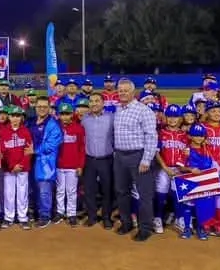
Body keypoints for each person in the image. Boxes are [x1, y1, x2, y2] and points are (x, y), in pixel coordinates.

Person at [112, 77, 158, 242]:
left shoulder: (143, 110)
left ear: (133, 92)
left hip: (138, 156)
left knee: (144, 194)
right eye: (120, 90)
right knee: (121, 191)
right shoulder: (118, 110)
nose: (122, 93)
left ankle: (145, 228)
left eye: (126, 90)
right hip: (120, 156)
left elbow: (151, 137)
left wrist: (146, 160)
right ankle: (126, 223)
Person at [80, 92, 114, 228]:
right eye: (91, 101)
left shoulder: (111, 118)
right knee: (89, 190)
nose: (94, 103)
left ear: (103, 103)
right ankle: (92, 216)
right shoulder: (84, 120)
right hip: (89, 160)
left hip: (106, 159)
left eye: (97, 101)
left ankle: (106, 217)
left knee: (107, 190)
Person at [28, 98, 63, 227]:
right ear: (35, 107)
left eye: (44, 106)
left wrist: (34, 150)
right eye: (39, 106)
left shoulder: (53, 125)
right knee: (32, 189)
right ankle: (35, 212)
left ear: (49, 108)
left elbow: (51, 145)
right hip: (30, 161)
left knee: (44, 190)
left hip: (45, 163)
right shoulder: (31, 122)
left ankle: (45, 215)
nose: (41, 108)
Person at [155, 105, 189, 232]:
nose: (172, 119)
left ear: (180, 118)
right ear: (165, 117)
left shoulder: (185, 135)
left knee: (178, 195)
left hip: (179, 170)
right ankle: (157, 217)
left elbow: (186, 153)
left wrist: (181, 168)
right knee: (161, 194)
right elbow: (156, 152)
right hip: (164, 169)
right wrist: (164, 167)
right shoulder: (160, 133)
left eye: (175, 117)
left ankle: (179, 218)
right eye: (169, 116)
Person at [0, 107, 33, 228]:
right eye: (13, 116)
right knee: (9, 193)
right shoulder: (3, 132)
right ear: (9, 117)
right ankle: (9, 217)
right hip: (9, 168)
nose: (15, 118)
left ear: (21, 118)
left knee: (22, 192)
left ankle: (23, 217)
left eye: (18, 116)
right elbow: (2, 151)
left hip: (23, 168)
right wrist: (12, 166)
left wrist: (21, 165)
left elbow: (28, 151)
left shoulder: (26, 131)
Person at [54, 103, 85, 226]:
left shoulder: (78, 128)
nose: (65, 117)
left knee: (71, 191)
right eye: (62, 114)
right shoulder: (56, 128)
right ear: (58, 115)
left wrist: (80, 165)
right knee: (60, 190)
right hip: (58, 165)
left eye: (67, 114)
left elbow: (82, 148)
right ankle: (60, 212)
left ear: (72, 115)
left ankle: (71, 213)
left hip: (73, 166)